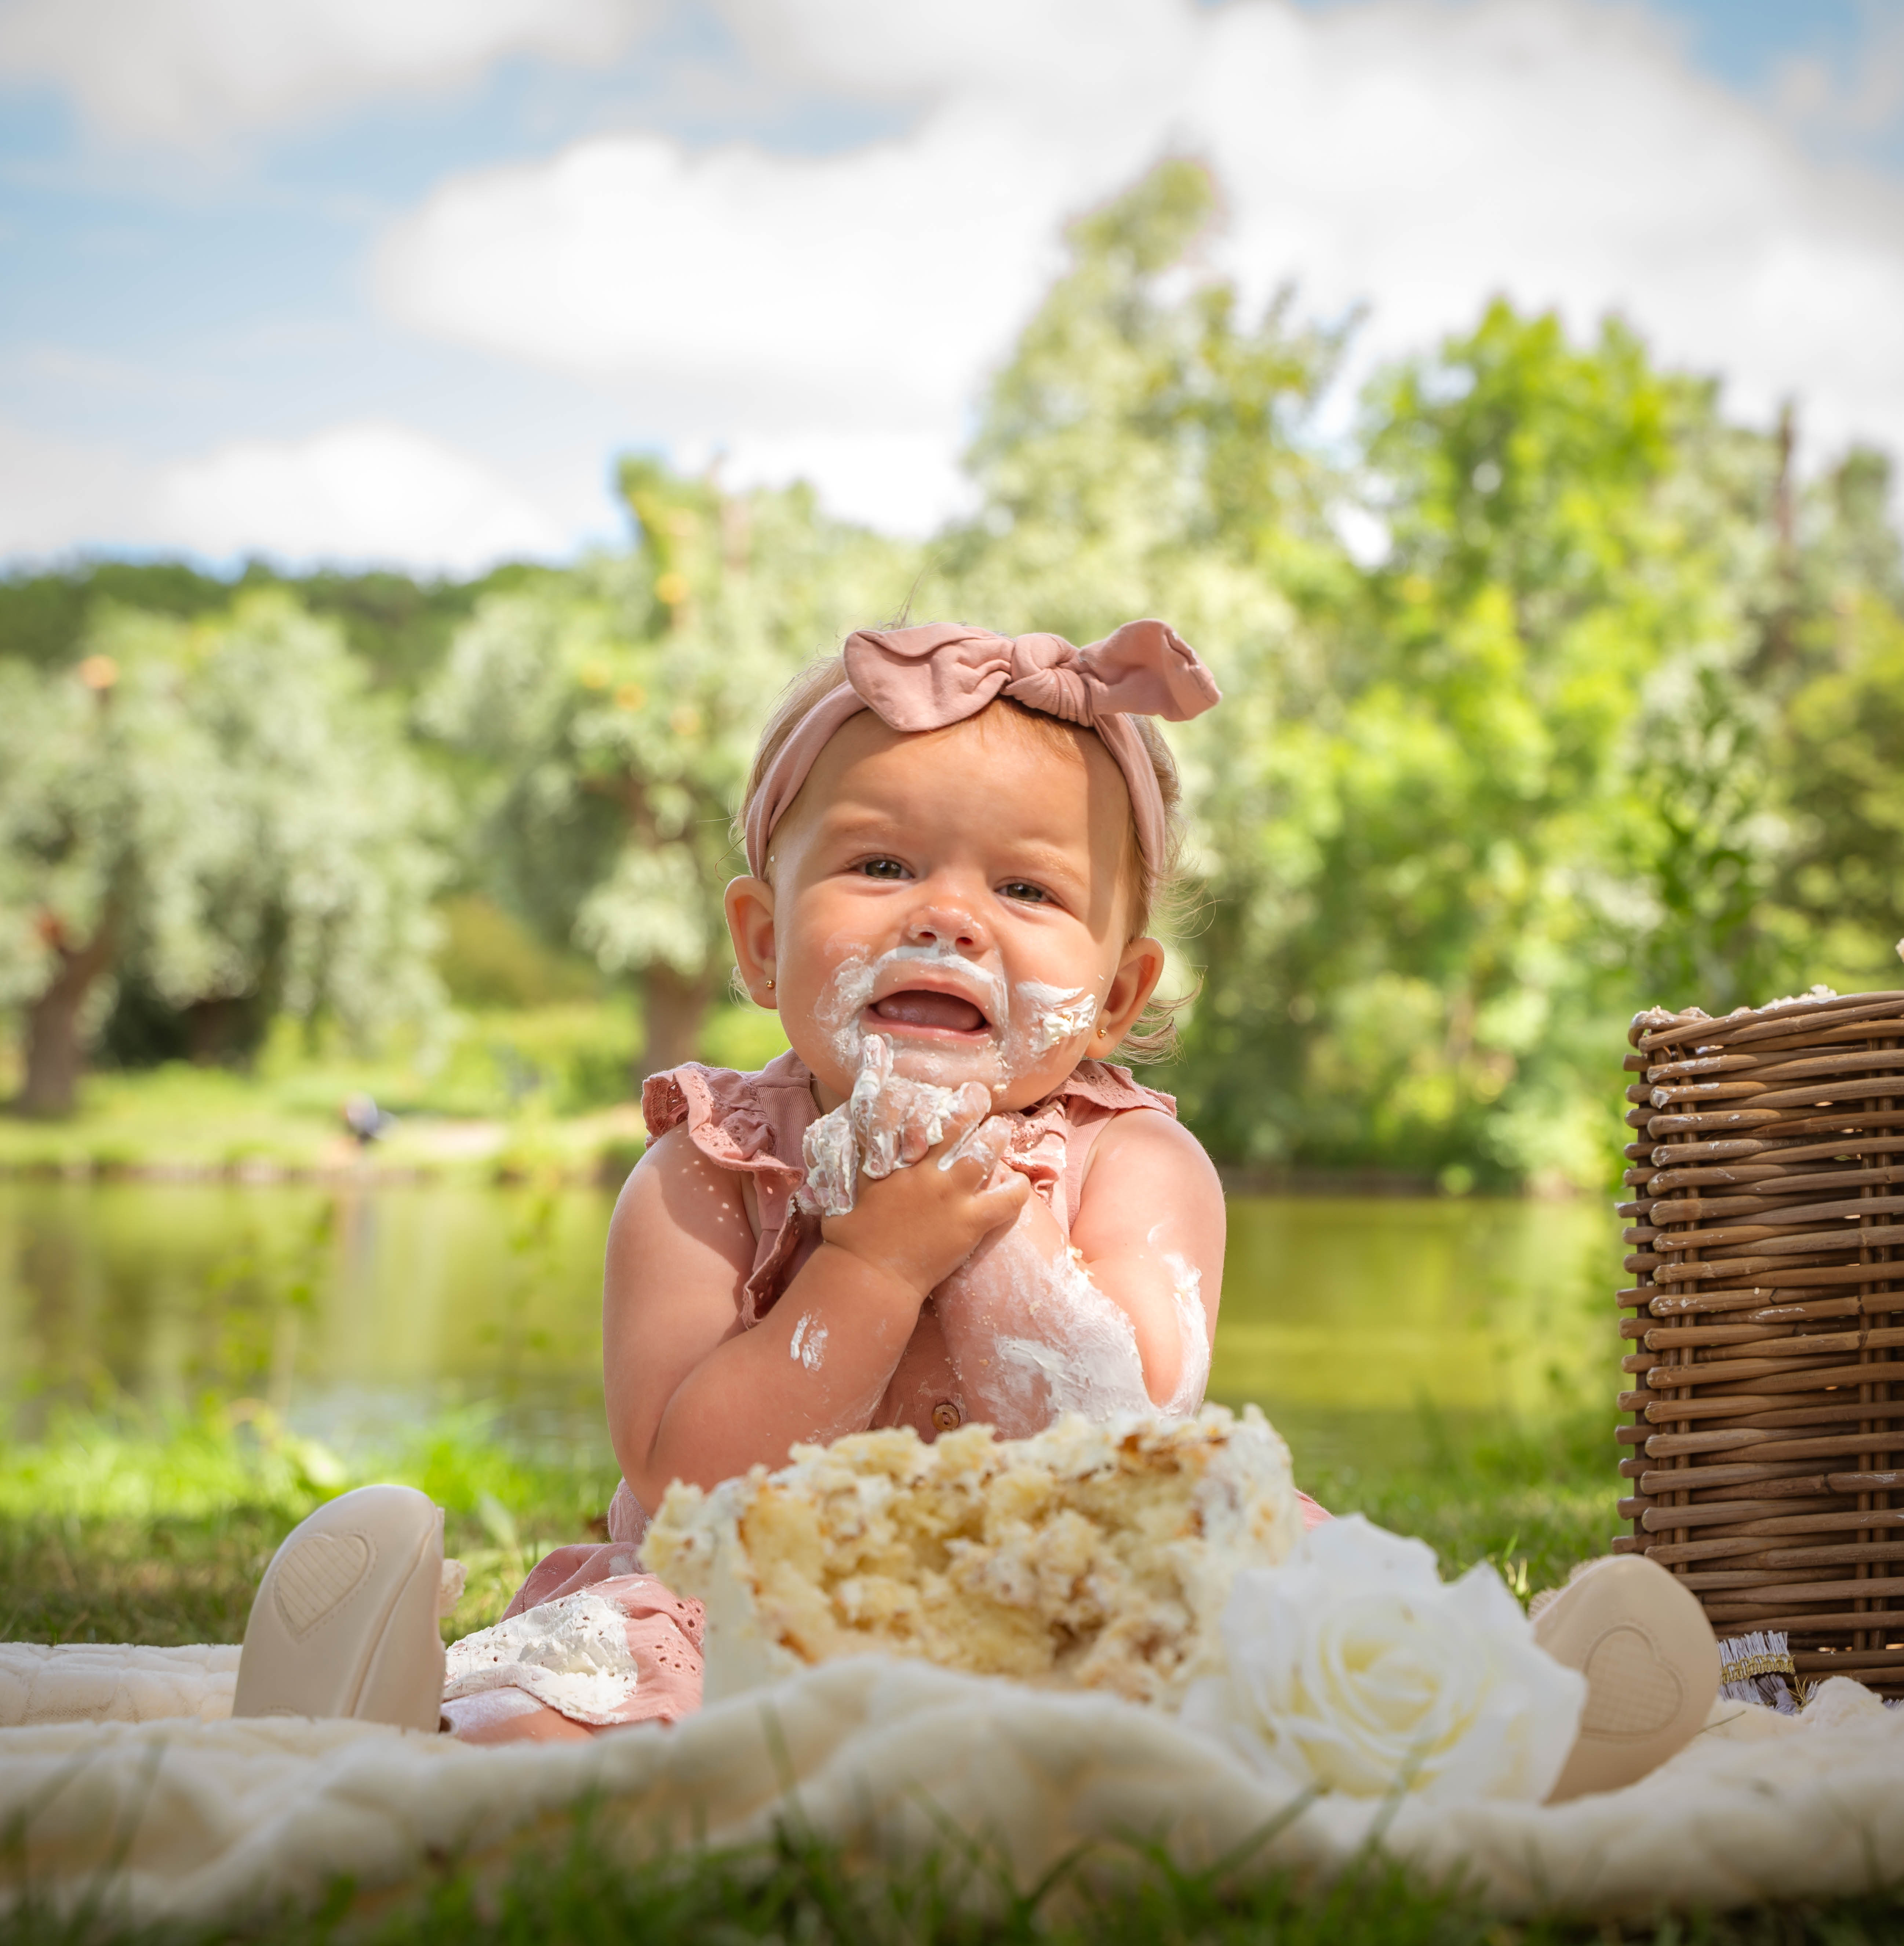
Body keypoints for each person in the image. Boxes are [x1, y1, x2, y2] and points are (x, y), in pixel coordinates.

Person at [229, 618, 1719, 1790]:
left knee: (1301, 1642)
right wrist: (867, 1268)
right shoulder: (708, 1169)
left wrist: (989, 1226)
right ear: (762, 943)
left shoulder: (1136, 1168)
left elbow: (1127, 1432)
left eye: (1026, 891)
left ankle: (1532, 1724)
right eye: (880, 864)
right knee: (582, 1689)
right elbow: (681, 1486)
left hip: (1076, 1585)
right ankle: (389, 1723)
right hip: (753, 1602)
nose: (946, 915)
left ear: (1117, 993)